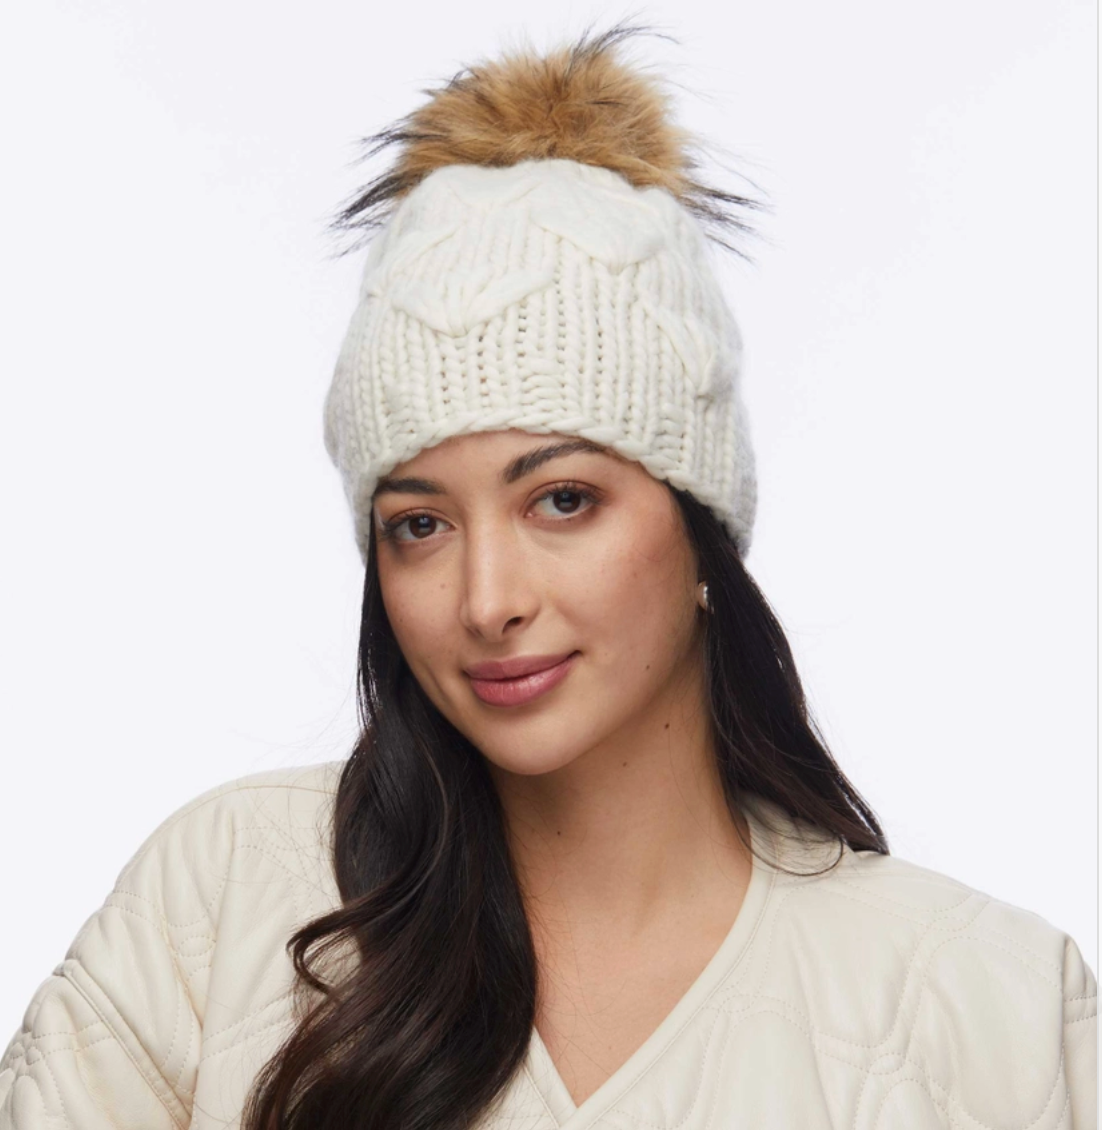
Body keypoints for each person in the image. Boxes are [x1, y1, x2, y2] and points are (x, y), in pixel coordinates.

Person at [1, 21, 1095, 1130]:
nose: (486, 600)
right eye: (419, 524)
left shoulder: (985, 1001)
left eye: (561, 499)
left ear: (700, 526)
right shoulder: (224, 896)